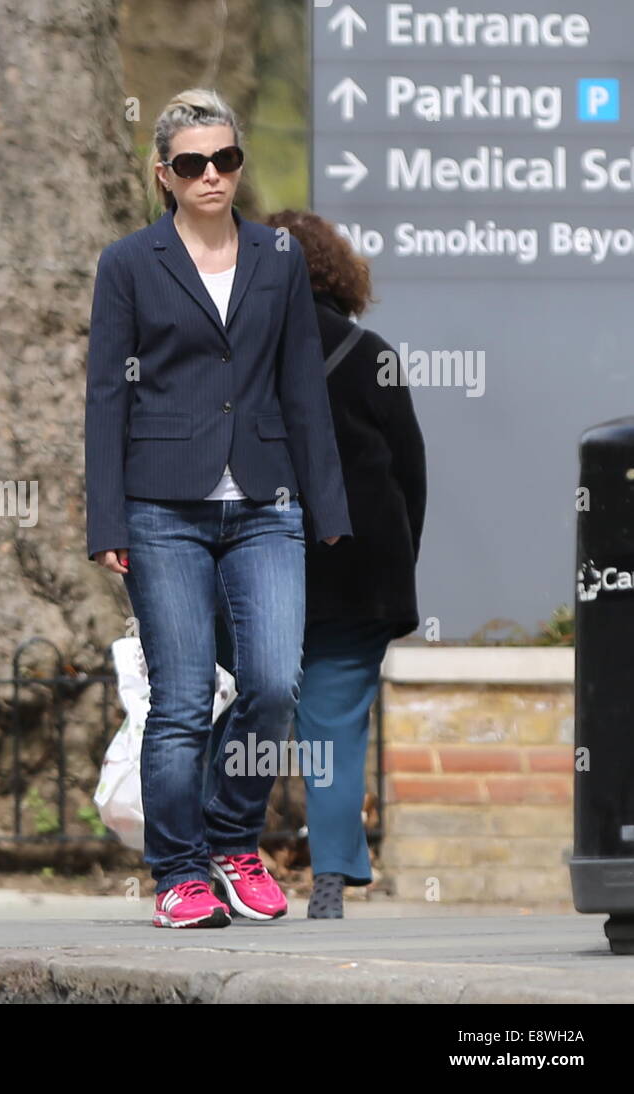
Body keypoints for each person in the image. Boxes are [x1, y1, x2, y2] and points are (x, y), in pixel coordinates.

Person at [85, 88, 351, 929]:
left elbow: (304, 384)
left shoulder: (276, 256)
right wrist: (108, 521)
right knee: (183, 696)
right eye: (194, 163)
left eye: (226, 159)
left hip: (267, 501)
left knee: (274, 683)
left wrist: (327, 506)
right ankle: (179, 870)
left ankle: (235, 842)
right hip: (162, 506)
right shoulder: (129, 263)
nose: (212, 175)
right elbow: (104, 399)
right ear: (165, 174)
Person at [264, 210, 427, 919]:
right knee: (334, 724)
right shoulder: (373, 353)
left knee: (246, 712)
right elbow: (409, 474)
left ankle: (216, 861)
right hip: (361, 568)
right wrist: (397, 565)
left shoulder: (241, 354)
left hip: (263, 555)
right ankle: (329, 878)